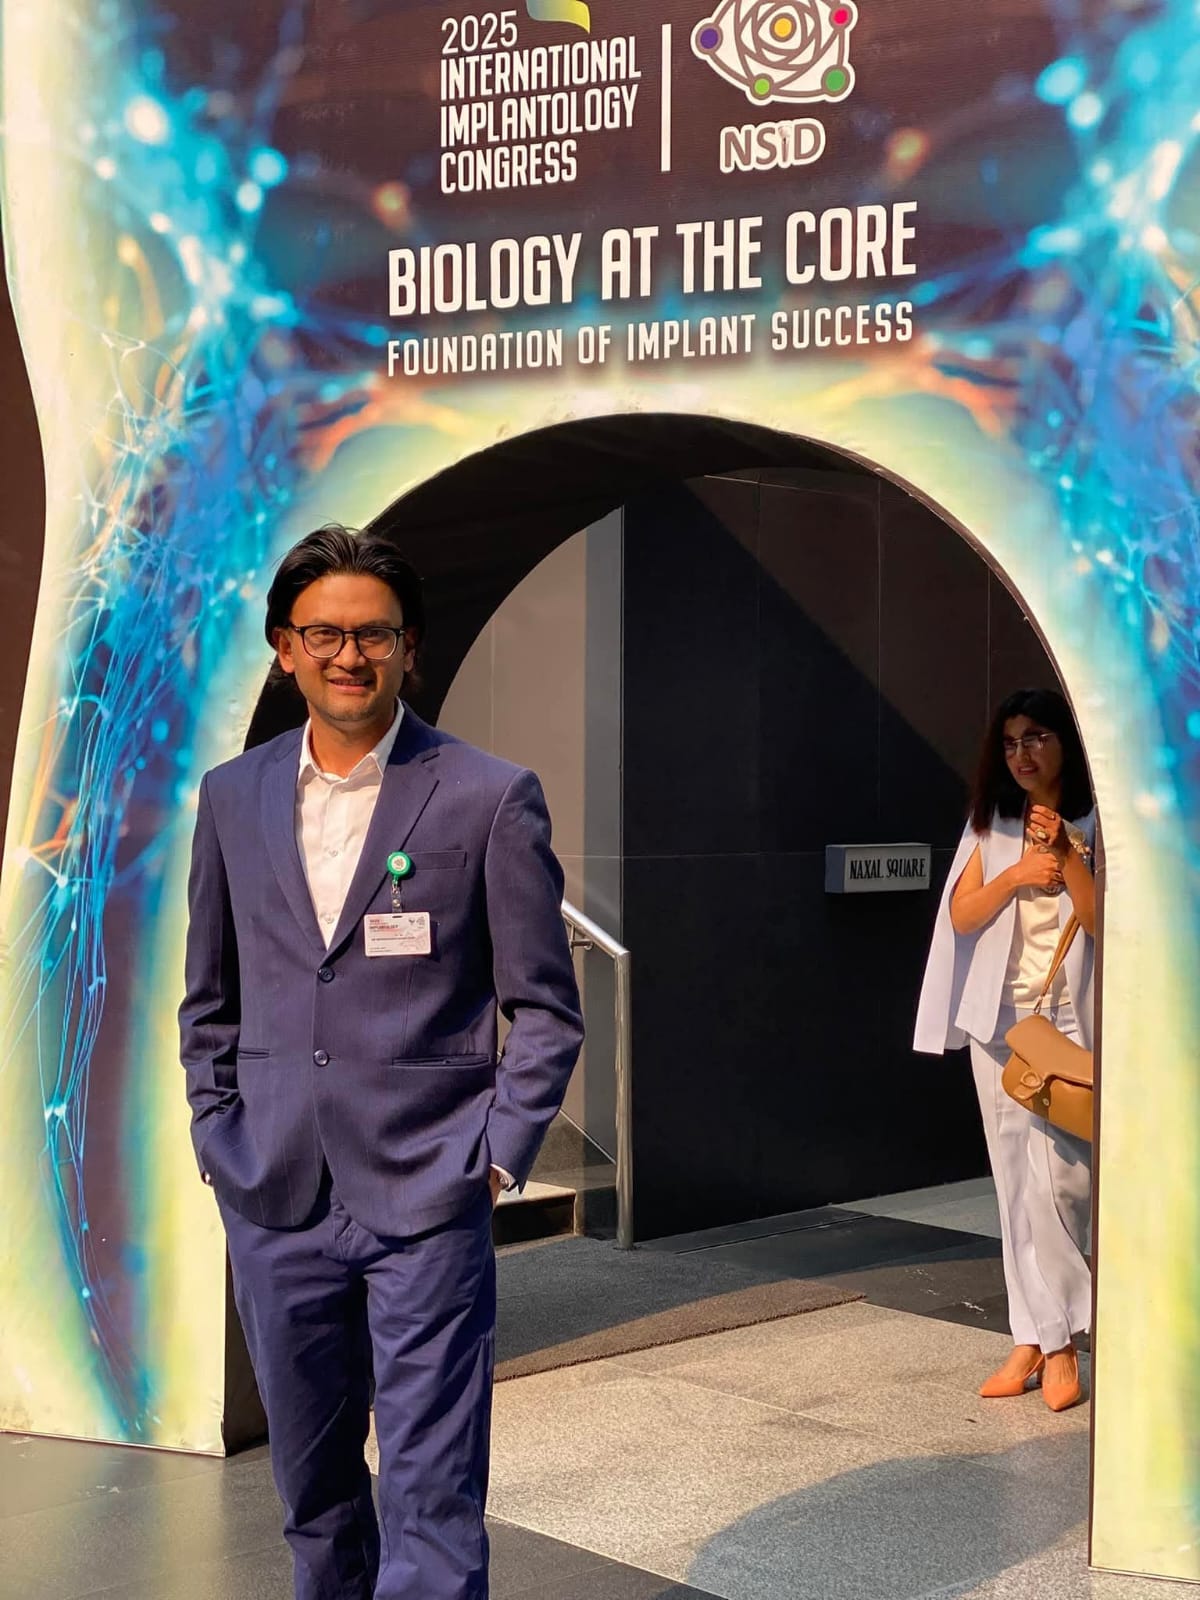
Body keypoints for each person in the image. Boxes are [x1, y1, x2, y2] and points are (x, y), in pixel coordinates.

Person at [179, 524, 584, 1600]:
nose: (348, 655)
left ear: (409, 649)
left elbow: (546, 1008)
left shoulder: (487, 795)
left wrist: (493, 1158)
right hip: (274, 1192)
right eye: (325, 634)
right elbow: (209, 995)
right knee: (312, 1490)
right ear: (285, 648)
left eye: (373, 634)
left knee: (432, 1492)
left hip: (429, 1194)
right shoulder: (231, 796)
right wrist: (218, 1131)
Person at [915, 688, 1095, 1413]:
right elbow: (961, 914)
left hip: (1072, 1024)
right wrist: (1017, 873)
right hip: (1001, 1021)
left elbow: (1103, 919)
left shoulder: (1096, 821)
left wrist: (1067, 856)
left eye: (1037, 737)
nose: (1022, 753)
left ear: (1066, 743)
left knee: (1064, 1185)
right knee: (1014, 1184)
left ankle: (1058, 1335)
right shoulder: (993, 823)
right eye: (1012, 741)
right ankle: (1039, 1340)